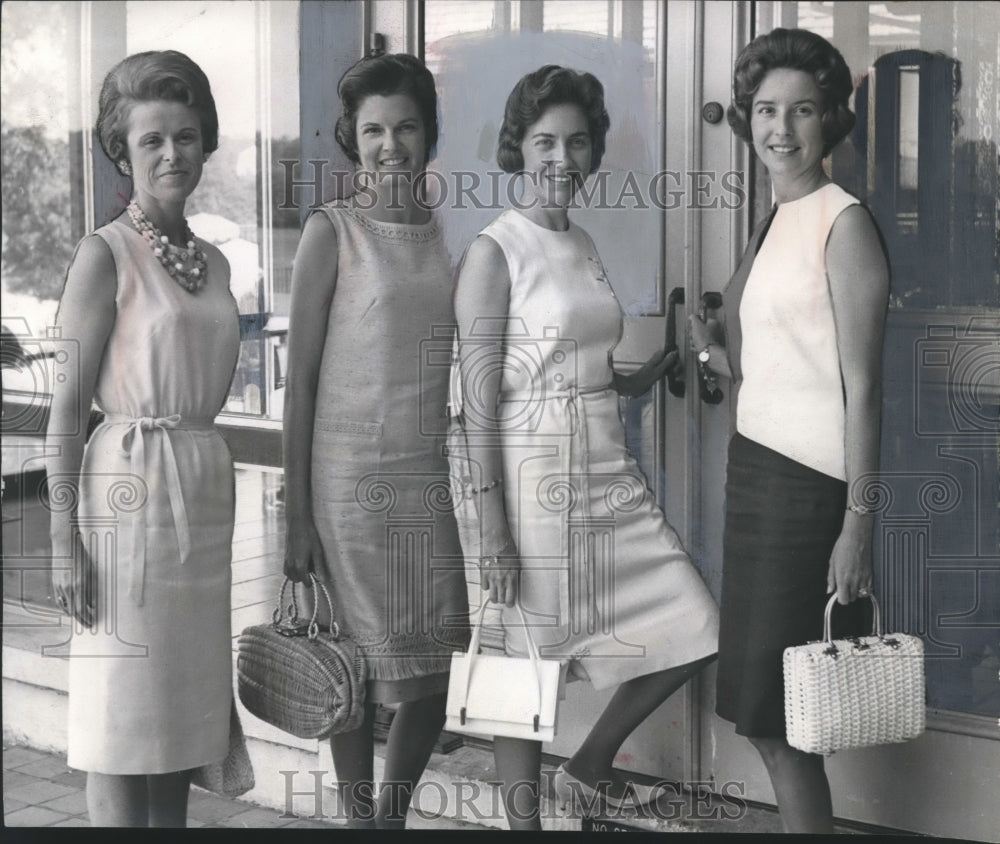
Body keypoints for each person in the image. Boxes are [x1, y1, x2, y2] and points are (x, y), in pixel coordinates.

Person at [453, 65, 719, 831]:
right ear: (519, 148)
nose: (560, 158)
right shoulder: (493, 252)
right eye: (544, 142)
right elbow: (476, 405)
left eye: (576, 141)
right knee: (521, 667)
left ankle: (590, 764)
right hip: (530, 473)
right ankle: (525, 829)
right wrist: (493, 528)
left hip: (604, 464)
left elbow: (583, 367)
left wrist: (652, 374)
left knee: (695, 624)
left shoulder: (582, 240)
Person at [688, 28, 890, 834]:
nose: (781, 128)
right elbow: (754, 355)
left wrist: (859, 526)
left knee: (782, 722)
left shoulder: (845, 225)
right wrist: (703, 346)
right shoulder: (775, 218)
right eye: (766, 110)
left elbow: (866, 392)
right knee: (767, 715)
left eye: (801, 111)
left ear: (830, 119)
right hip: (756, 478)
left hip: (812, 496)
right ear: (747, 120)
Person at [46, 50, 239, 827]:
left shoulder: (216, 263)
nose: (171, 154)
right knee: (119, 719)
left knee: (180, 723)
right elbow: (64, 408)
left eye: (186, 136)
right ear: (122, 151)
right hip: (124, 499)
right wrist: (63, 538)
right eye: (151, 140)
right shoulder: (103, 255)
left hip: (198, 493)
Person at [281, 53, 469, 829]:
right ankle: (362, 819)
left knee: (436, 662)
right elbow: (300, 382)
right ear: (352, 141)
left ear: (429, 135)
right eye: (374, 130)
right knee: (355, 664)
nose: (391, 143)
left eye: (406, 127)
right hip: (348, 480)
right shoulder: (332, 231)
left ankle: (390, 815)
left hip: (425, 476)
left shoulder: (441, 229)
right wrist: (298, 514)